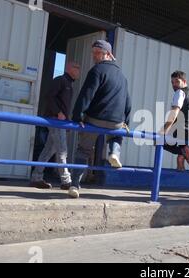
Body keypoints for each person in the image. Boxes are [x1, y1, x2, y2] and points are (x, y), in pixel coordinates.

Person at [69, 40, 132, 199]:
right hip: (116, 121)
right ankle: (114, 152)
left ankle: (75, 184)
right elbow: (128, 102)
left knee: (83, 150)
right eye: (93, 53)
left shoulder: (96, 70)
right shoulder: (122, 77)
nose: (94, 56)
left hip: (95, 119)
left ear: (108, 54)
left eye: (98, 53)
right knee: (116, 134)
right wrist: (127, 122)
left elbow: (86, 95)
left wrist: (77, 117)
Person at [30, 62, 80, 190]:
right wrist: (58, 113)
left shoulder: (68, 84)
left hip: (60, 122)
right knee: (62, 150)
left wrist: (66, 121)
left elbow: (63, 105)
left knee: (48, 151)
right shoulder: (60, 80)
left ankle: (36, 177)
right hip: (55, 121)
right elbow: (49, 97)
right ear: (69, 68)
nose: (79, 71)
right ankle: (66, 181)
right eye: (76, 68)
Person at [160, 71, 189, 171]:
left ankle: (182, 151)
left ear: (184, 81)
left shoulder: (180, 93)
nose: (174, 85)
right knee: (180, 139)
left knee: (158, 141)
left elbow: (173, 115)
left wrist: (162, 132)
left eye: (177, 81)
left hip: (183, 130)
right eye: (172, 82)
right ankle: (181, 161)